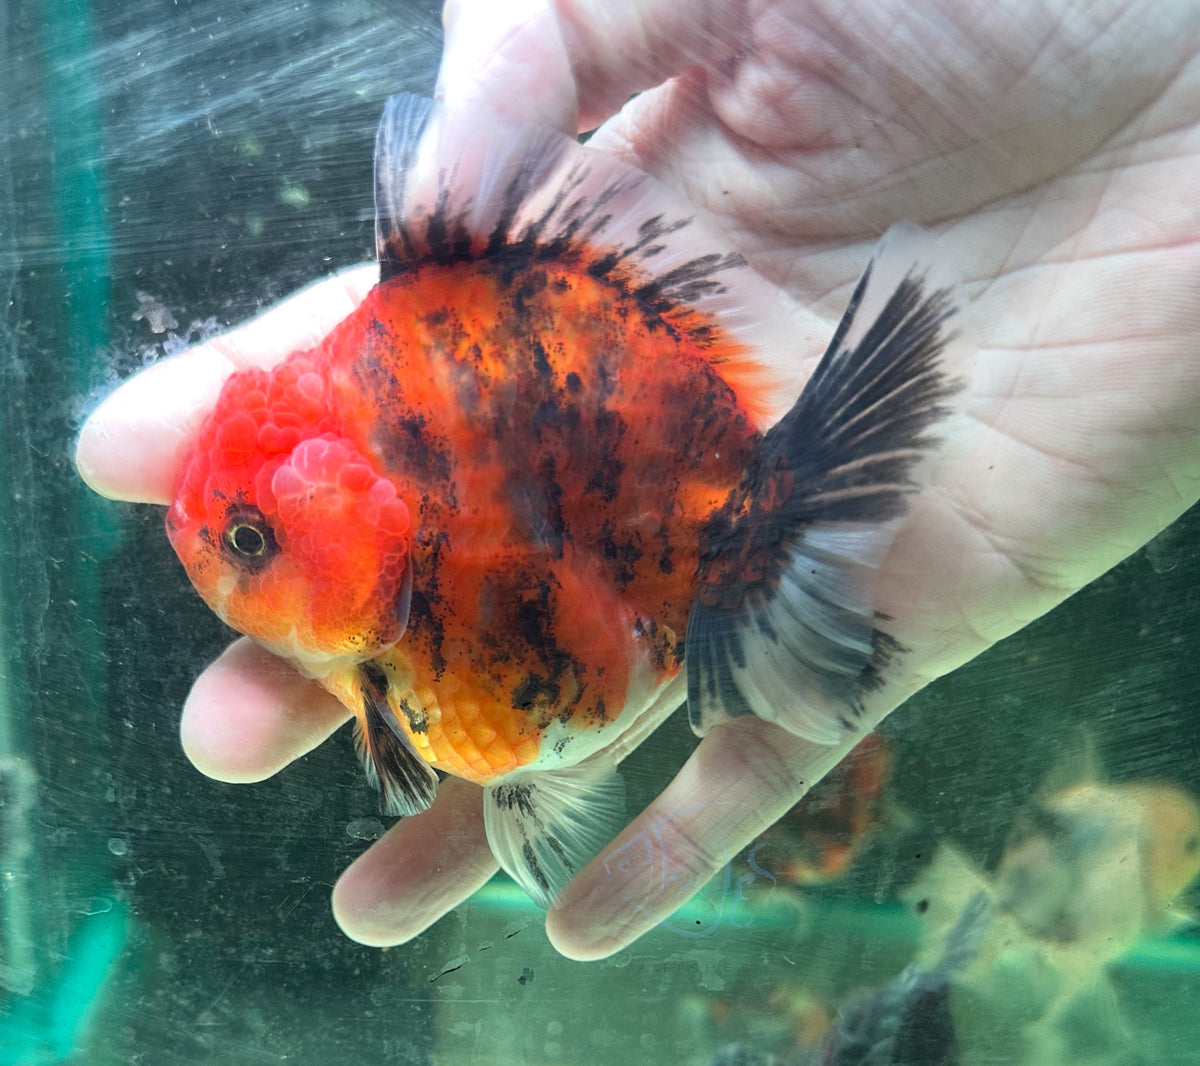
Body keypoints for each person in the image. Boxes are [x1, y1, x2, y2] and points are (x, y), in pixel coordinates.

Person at [75, 0, 1200, 960]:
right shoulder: (379, 459)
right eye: (245, 536)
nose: (218, 550)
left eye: (252, 539)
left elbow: (514, 774)